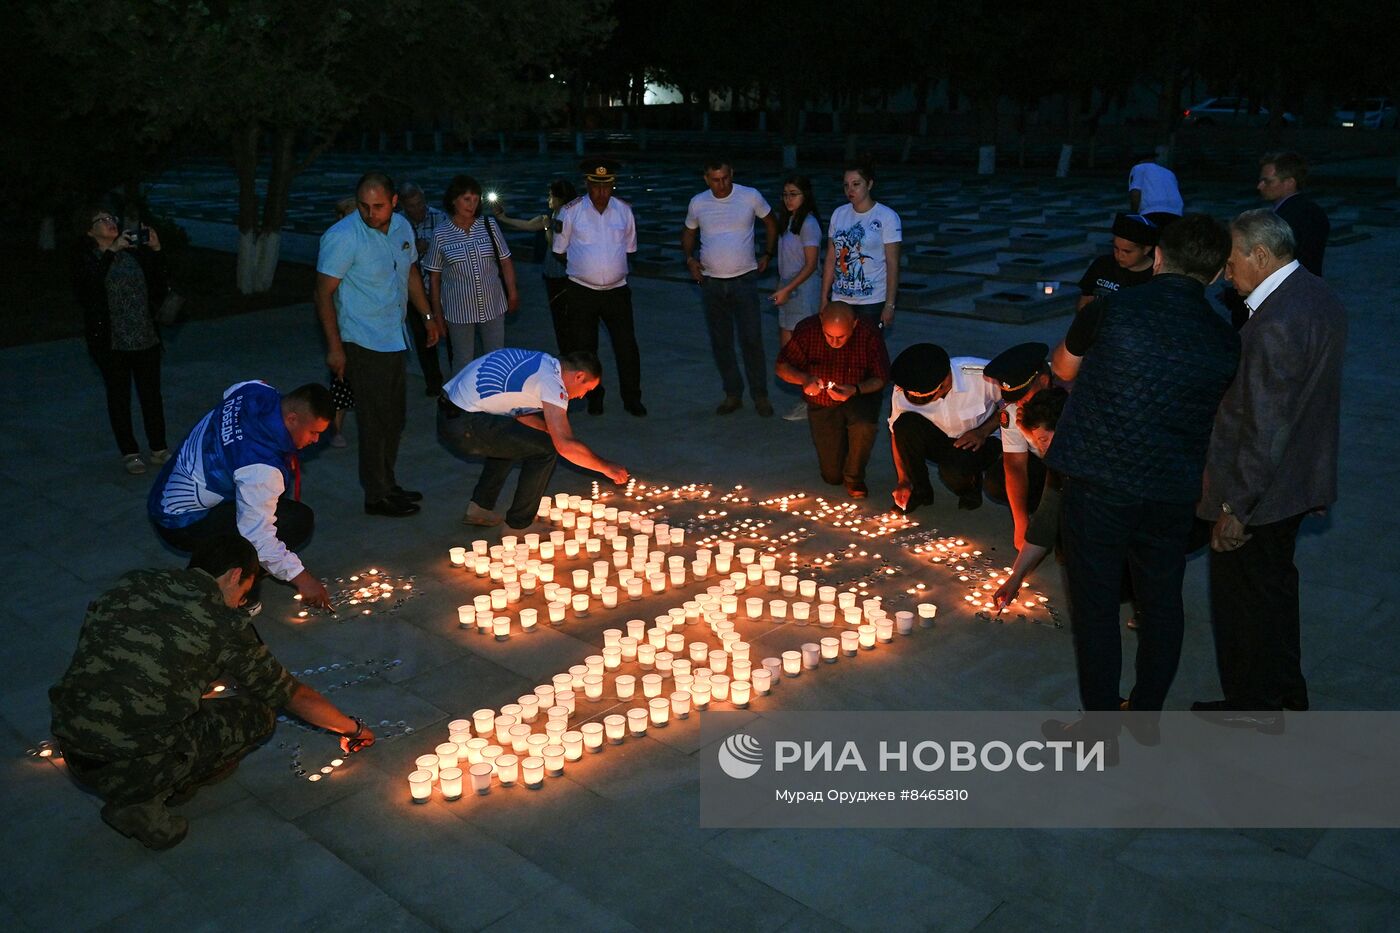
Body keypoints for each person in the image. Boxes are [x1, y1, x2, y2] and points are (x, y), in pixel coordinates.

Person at [50, 535, 375, 850]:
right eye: (244, 591)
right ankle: (142, 801)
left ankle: (157, 774)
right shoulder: (222, 624)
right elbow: (292, 695)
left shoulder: (135, 582)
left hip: (71, 744)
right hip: (127, 762)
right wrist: (353, 729)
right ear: (235, 575)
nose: (241, 602)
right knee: (259, 713)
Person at [1044, 214, 1240, 724]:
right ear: (1215, 273)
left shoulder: (1112, 308)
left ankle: (1101, 728)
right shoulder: (1225, 338)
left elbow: (1062, 369)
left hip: (1098, 480)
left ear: (1157, 257)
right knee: (1161, 604)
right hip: (1171, 489)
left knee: (1096, 606)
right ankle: (1146, 714)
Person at [1193, 209, 1347, 729]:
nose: (1225, 274)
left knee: (1242, 602)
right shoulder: (1317, 294)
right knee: (1275, 591)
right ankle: (1286, 687)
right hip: (1297, 479)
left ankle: (1252, 707)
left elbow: (1265, 426)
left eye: (1231, 262)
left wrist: (1237, 506)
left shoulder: (1275, 323)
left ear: (1259, 256)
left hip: (1263, 491)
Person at [149, 380, 334, 613]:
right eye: (313, 432)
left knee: (277, 512)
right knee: (293, 523)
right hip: (181, 521)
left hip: (163, 492)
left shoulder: (254, 389)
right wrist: (303, 579)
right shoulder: (261, 469)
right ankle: (226, 587)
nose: (316, 440)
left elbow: (230, 393)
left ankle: (225, 567)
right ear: (292, 419)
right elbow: (257, 536)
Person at [315, 171, 439, 517]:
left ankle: (387, 482)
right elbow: (323, 294)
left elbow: (409, 273)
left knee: (393, 418)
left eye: (379, 206)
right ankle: (376, 495)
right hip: (361, 339)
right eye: (364, 206)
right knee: (374, 420)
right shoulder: (343, 237)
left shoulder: (401, 227)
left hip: (394, 336)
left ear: (394, 202)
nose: (371, 214)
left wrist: (427, 316)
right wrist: (334, 347)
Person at [438, 348, 629, 528]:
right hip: (465, 425)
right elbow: (565, 446)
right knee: (546, 449)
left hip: (451, 411)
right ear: (579, 376)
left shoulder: (544, 363)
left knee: (515, 440)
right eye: (586, 389)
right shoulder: (552, 383)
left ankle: (479, 507)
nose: (581, 397)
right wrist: (606, 467)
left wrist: (547, 429)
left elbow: (515, 408)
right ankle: (519, 525)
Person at [71, 206, 169, 475]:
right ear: (90, 230)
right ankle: (130, 452)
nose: (110, 222)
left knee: (152, 395)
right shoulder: (87, 259)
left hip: (145, 336)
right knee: (119, 397)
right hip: (111, 342)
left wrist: (156, 250)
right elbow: (89, 290)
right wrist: (111, 252)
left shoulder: (132, 253)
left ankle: (159, 448)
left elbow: (159, 285)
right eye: (102, 220)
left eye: (112, 218)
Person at [682, 155, 780, 416]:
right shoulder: (698, 202)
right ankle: (733, 393)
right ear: (706, 179)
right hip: (712, 282)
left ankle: (760, 395)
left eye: (725, 178)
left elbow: (771, 222)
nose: (722, 184)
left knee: (752, 340)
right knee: (721, 342)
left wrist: (768, 253)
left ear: (732, 174)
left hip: (744, 280)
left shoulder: (750, 196)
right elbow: (689, 231)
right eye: (715, 180)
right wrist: (690, 259)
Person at [553, 158, 645, 417]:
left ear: (613, 185)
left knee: (626, 347)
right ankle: (594, 396)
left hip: (617, 291)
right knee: (584, 349)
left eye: (607, 186)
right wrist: (586, 267)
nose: (601, 192)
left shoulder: (624, 211)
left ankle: (632, 397)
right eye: (596, 186)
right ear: (587, 184)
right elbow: (559, 250)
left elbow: (630, 249)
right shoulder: (570, 212)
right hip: (582, 291)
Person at [775, 302, 890, 498]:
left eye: (841, 337)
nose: (834, 342)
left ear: (854, 324)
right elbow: (782, 366)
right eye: (829, 336)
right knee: (832, 476)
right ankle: (840, 450)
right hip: (823, 402)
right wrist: (804, 379)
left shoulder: (868, 333)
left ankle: (854, 476)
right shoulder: (808, 330)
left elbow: (881, 378)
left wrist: (855, 389)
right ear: (821, 321)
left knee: (863, 426)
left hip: (859, 395)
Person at [887, 344, 1002, 513]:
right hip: (939, 439)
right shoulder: (906, 384)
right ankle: (919, 490)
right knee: (904, 424)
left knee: (953, 472)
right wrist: (903, 480)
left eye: (928, 398)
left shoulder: (982, 375)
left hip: (982, 439)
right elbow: (897, 434)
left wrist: (983, 431)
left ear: (944, 381)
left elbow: (1012, 404)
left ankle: (970, 485)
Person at [423, 174, 519, 376]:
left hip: (493, 303)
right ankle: (462, 395)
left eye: (476, 200)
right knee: (463, 360)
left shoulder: (489, 226)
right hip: (459, 309)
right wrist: (437, 315)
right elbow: (434, 278)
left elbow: (505, 261)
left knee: (496, 357)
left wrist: (512, 294)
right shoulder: (441, 234)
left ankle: (494, 393)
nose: (472, 205)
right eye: (467, 199)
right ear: (453, 200)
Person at [993, 387, 1069, 607]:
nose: (1041, 448)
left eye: (1043, 439)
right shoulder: (1058, 466)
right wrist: (1016, 577)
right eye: (1036, 441)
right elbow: (1045, 521)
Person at [982, 342, 1053, 550]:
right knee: (997, 480)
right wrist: (1021, 522)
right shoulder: (1014, 409)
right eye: (1015, 398)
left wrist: (1033, 436)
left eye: (1023, 396)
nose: (1019, 404)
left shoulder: (1074, 400)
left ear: (1044, 381)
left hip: (1079, 473)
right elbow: (1014, 464)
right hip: (1042, 464)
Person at [494, 178, 577, 354]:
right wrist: (503, 218)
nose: (548, 199)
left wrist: (547, 229)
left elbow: (556, 247)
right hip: (551, 275)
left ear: (561, 198)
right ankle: (565, 353)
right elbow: (528, 225)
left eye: (551, 196)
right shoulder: (550, 216)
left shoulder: (568, 219)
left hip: (565, 277)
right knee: (558, 317)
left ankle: (571, 353)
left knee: (567, 318)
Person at [822, 160, 902, 335]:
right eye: (846, 185)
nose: (850, 190)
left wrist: (890, 304)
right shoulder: (838, 214)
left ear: (869, 184)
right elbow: (830, 258)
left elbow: (892, 263)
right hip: (840, 298)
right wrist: (824, 298)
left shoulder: (887, 217)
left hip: (872, 301)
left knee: (868, 347)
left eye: (856, 184)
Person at [769, 175, 823, 421]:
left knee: (804, 348)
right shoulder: (789, 220)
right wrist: (782, 287)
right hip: (789, 287)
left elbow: (811, 265)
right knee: (789, 351)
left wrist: (787, 288)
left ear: (805, 196)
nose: (788, 199)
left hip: (803, 289)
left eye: (794, 194)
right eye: (785, 194)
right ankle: (809, 393)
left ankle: (811, 399)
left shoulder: (808, 223)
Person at [398, 182, 451, 395]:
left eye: (420, 203)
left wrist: (431, 248)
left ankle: (459, 377)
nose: (417, 209)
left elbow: (451, 251)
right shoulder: (398, 224)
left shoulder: (440, 218)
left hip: (441, 289)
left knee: (452, 335)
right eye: (411, 206)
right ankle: (433, 382)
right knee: (424, 338)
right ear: (403, 205)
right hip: (413, 292)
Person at [1258, 151, 1329, 276]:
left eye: (1267, 181)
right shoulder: (1314, 210)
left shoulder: (1282, 219)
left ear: (1289, 183)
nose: (1259, 186)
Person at [1076, 214, 1158, 311]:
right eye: (1116, 248)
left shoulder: (1156, 276)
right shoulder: (1102, 265)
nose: (1119, 255)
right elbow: (1085, 300)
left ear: (1146, 249)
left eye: (1127, 251)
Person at [328, 196, 359, 449]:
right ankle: (335, 429)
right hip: (343, 323)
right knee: (341, 380)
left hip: (366, 324)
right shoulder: (336, 242)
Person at [1127, 152, 1184, 228]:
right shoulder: (1169, 173)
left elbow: (1135, 192)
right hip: (1176, 213)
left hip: (1151, 211)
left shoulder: (1139, 168)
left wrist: (1133, 213)